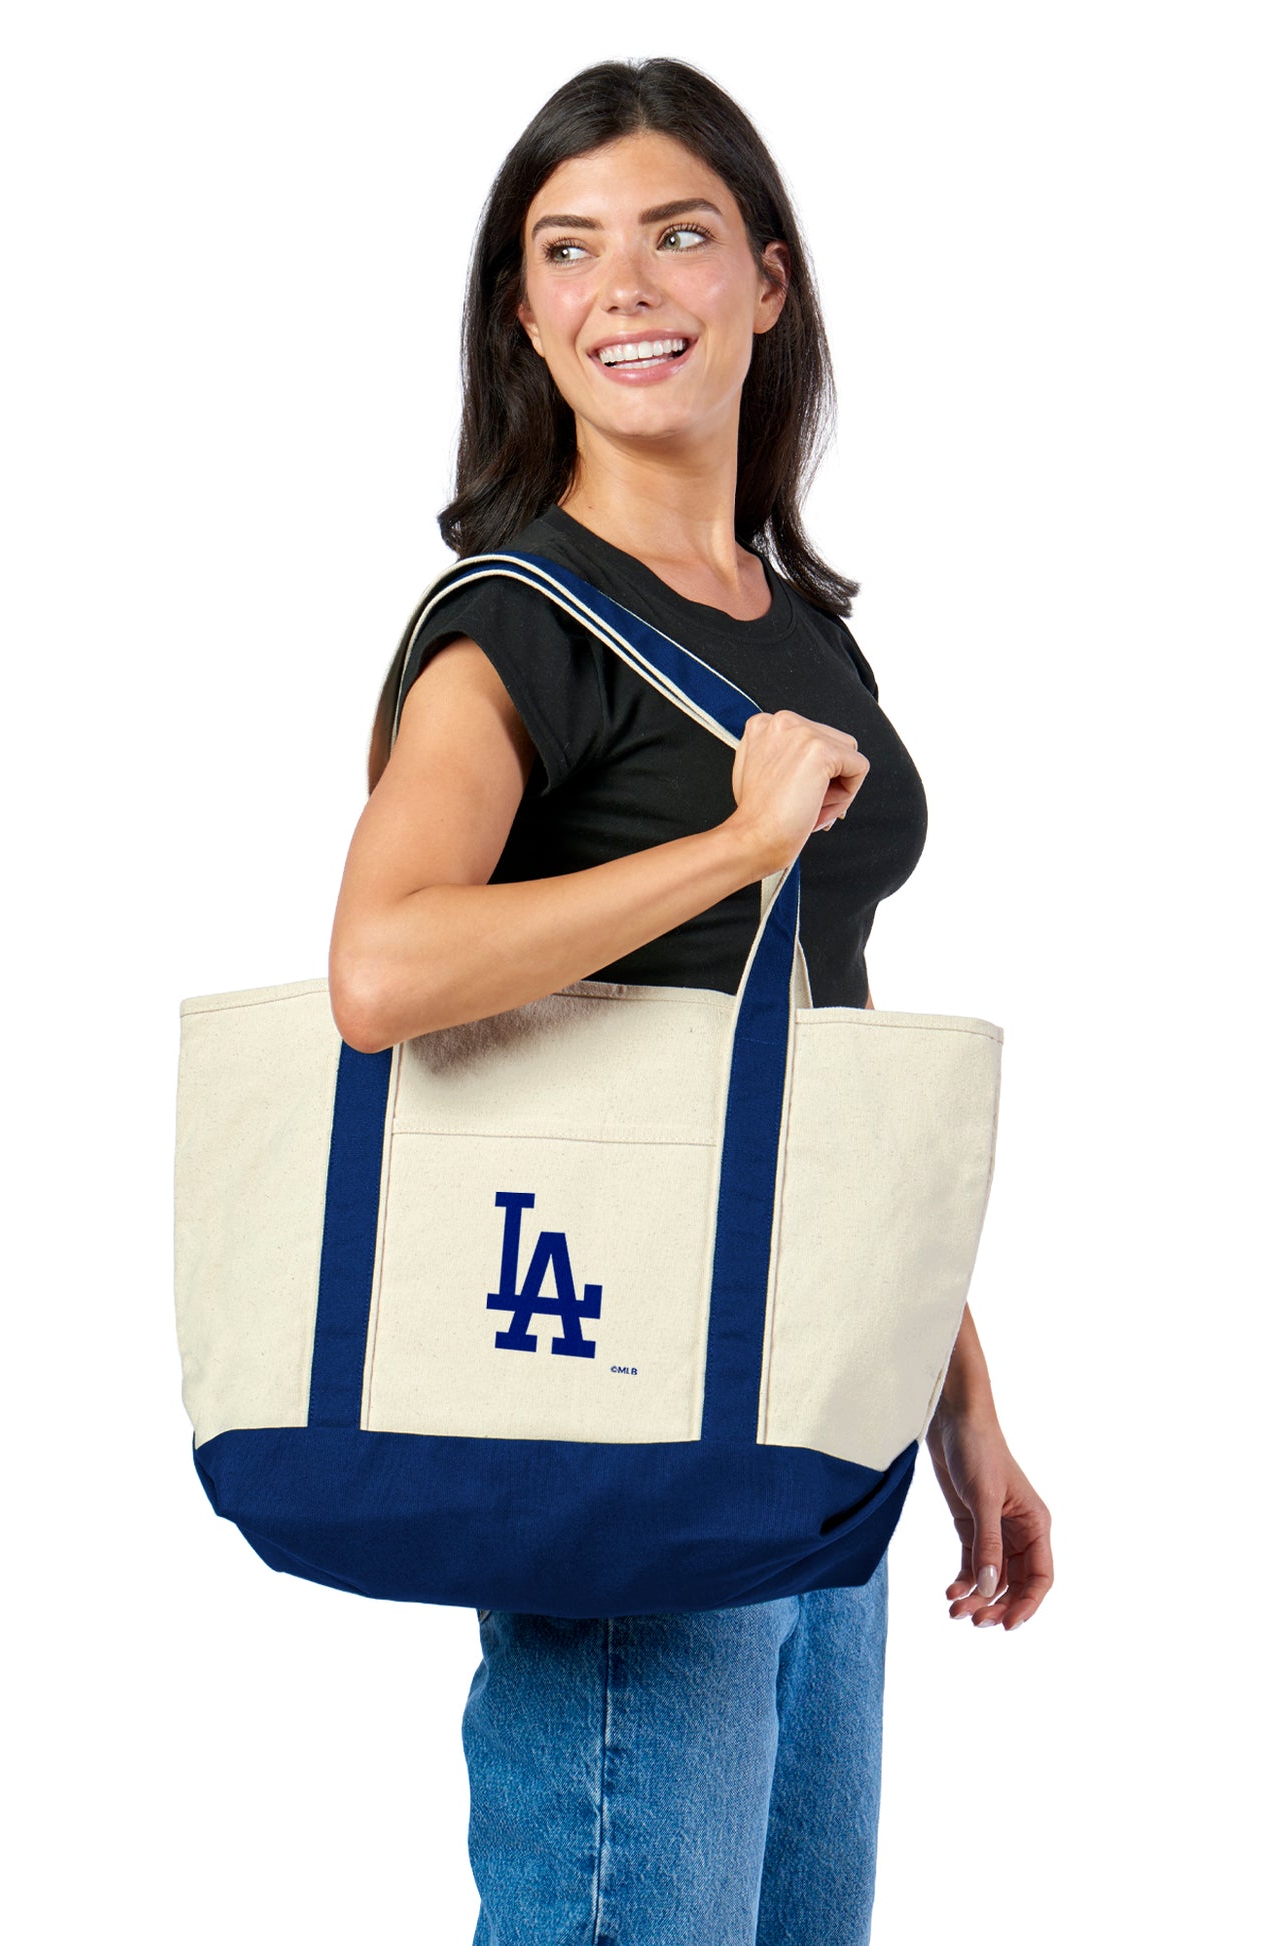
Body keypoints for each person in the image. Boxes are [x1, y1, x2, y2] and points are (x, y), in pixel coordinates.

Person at [329, 56, 1053, 1946]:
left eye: (676, 235)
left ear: (766, 283)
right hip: (622, 1415)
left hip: (818, 1415)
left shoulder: (792, 625)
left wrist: (956, 1388)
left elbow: (816, 1029)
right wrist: (731, 847)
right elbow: (382, 966)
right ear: (521, 314)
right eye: (567, 250)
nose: (625, 288)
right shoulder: (516, 624)